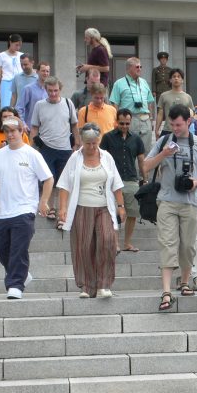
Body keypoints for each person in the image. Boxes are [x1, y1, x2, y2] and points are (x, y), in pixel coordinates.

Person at [142, 104, 197, 311]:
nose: (175, 128)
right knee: (167, 243)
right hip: (167, 201)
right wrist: (163, 154)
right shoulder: (164, 141)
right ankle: (165, 291)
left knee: (188, 246)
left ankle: (184, 282)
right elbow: (146, 167)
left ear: (189, 122)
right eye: (171, 124)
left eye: (179, 124)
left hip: (191, 202)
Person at [0, 119, 53, 300]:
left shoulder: (32, 154)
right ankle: (22, 274)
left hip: (24, 209)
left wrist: (43, 201)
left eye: (14, 131)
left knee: (18, 248)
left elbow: (48, 178)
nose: (10, 134)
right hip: (2, 210)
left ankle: (15, 284)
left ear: (22, 131)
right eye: (7, 131)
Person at [56, 123, 125, 298]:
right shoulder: (75, 158)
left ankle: (103, 284)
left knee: (107, 241)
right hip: (81, 207)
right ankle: (87, 285)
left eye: (94, 143)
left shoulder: (107, 157)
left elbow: (116, 184)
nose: (91, 147)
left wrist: (121, 206)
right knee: (83, 246)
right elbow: (64, 185)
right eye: (88, 143)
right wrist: (63, 208)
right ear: (82, 141)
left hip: (104, 206)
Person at [100, 108, 146, 253]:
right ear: (116, 122)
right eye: (122, 123)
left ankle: (127, 242)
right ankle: (115, 243)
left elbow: (141, 161)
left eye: (127, 123)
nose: (124, 126)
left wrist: (145, 180)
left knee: (132, 213)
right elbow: (101, 158)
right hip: (113, 180)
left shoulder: (136, 139)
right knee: (113, 212)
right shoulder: (107, 137)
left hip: (131, 179)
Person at [30, 76, 81, 190]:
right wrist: (32, 147)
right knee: (48, 181)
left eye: (55, 90)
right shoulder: (39, 105)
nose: (53, 94)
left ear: (60, 90)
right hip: (46, 148)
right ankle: (50, 207)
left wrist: (77, 144)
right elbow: (34, 127)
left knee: (64, 184)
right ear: (45, 89)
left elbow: (74, 125)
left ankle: (62, 207)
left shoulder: (68, 103)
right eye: (50, 91)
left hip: (65, 149)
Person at [109, 57, 155, 151]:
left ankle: (144, 166)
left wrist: (151, 118)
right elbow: (115, 104)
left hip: (145, 119)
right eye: (137, 67)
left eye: (141, 67)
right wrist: (117, 121)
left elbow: (150, 102)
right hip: (129, 120)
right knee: (129, 149)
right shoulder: (119, 83)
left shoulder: (144, 82)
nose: (140, 69)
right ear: (129, 68)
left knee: (146, 150)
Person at [155, 68, 194, 138]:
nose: (176, 78)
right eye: (174, 76)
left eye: (179, 76)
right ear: (170, 80)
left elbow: (191, 115)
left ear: (182, 80)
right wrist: (156, 129)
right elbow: (160, 114)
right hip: (167, 130)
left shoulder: (188, 97)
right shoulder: (163, 95)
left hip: (183, 131)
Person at [15, 61, 50, 130]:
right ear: (37, 72)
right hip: (31, 129)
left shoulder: (51, 90)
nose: (45, 73)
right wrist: (23, 124)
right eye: (43, 71)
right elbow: (19, 108)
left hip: (47, 129)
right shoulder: (28, 89)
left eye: (47, 71)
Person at [0, 34, 23, 108]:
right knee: (5, 105)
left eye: (19, 45)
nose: (18, 47)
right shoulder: (1, 55)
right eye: (16, 45)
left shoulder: (22, 55)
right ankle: (5, 119)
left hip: (19, 82)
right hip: (6, 82)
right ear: (10, 42)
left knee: (19, 104)